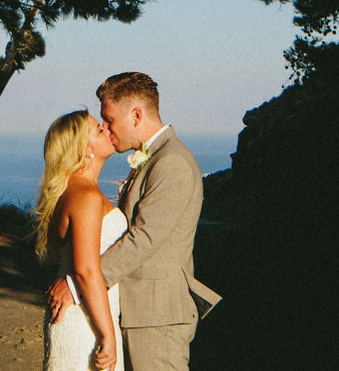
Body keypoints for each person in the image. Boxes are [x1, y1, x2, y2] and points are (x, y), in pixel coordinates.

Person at [47, 72, 219, 371]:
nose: (108, 129)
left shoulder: (172, 162)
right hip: (135, 314)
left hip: (157, 318)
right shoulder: (153, 160)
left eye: (110, 120)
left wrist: (78, 284)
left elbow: (144, 240)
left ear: (136, 115)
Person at [38, 109, 123, 371]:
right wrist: (107, 334)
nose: (108, 130)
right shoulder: (85, 195)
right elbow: (86, 270)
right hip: (89, 324)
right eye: (100, 129)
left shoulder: (69, 190)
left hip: (84, 317)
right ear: (84, 150)